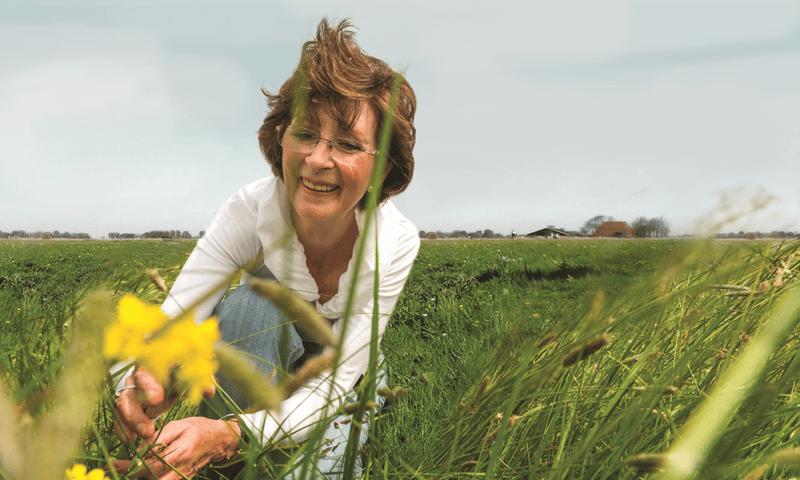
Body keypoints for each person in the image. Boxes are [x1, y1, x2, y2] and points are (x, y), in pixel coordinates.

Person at [111, 18, 419, 479]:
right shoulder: (249, 211)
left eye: (347, 144)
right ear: (281, 138)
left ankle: (228, 453)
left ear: (382, 166)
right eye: (305, 134)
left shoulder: (394, 243)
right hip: (255, 351)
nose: (317, 159)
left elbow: (334, 383)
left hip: (342, 380)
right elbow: (176, 316)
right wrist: (138, 380)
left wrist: (233, 435)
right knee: (254, 304)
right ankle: (207, 461)